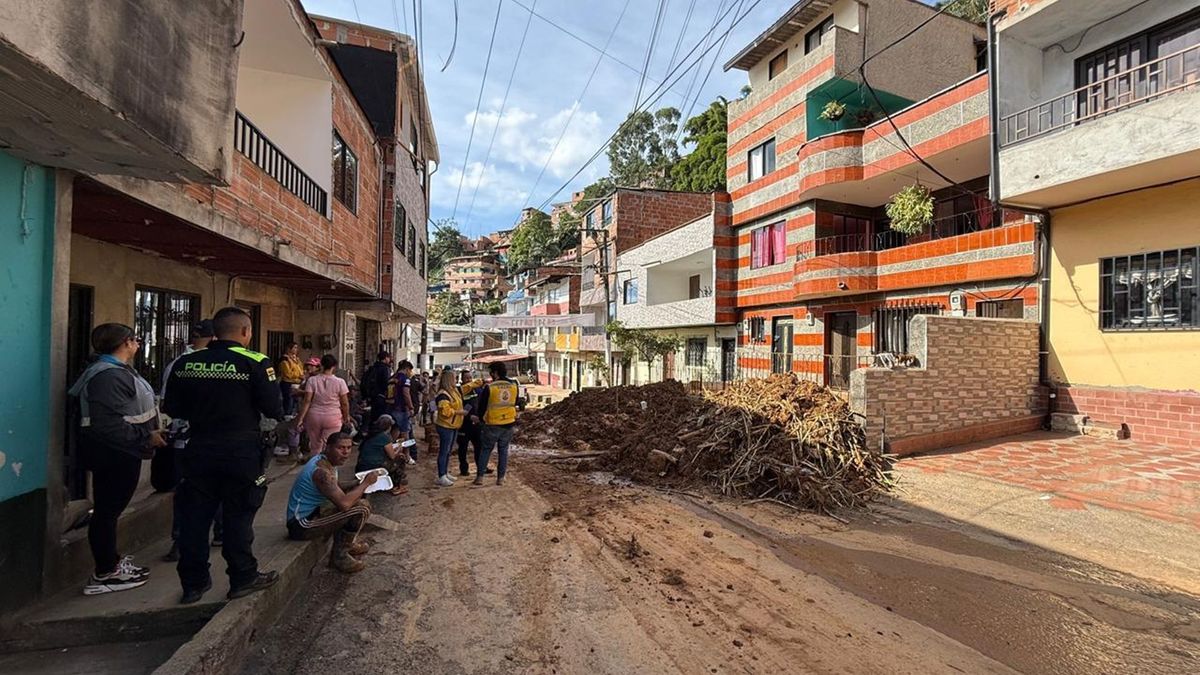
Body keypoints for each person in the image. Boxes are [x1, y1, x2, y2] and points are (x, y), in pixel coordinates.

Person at [162, 306, 284, 605]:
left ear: (215, 331)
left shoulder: (187, 363)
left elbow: (172, 409)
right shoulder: (256, 362)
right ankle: (243, 578)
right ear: (246, 332)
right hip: (240, 452)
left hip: (198, 448)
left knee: (194, 519)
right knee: (238, 517)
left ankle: (193, 585)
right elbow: (274, 410)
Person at [68, 323, 167, 595]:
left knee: (110, 511)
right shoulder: (107, 376)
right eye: (135, 339)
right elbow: (107, 425)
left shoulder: (115, 371)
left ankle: (110, 562)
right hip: (115, 453)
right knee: (107, 512)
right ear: (125, 342)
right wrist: (146, 437)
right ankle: (106, 572)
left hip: (124, 450)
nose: (138, 344)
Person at [157, 320, 223, 562]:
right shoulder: (225, 364)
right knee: (215, 486)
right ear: (215, 338)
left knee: (188, 491)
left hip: (186, 440)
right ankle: (216, 532)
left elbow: (166, 404)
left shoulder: (177, 364)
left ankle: (183, 540)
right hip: (211, 439)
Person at [285, 431, 376, 573]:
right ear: (328, 447)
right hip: (302, 524)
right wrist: (365, 484)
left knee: (355, 498)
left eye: (348, 448)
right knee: (361, 508)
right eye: (340, 448)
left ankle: (347, 543)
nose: (345, 453)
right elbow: (344, 504)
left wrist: (357, 483)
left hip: (316, 512)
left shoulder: (325, 461)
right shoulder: (321, 472)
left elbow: (335, 485)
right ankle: (339, 557)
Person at [473, 362, 525, 487]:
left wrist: (479, 419)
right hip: (509, 423)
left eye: (491, 372)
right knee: (503, 451)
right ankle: (500, 478)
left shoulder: (490, 388)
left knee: (485, 450)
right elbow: (517, 401)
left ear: (495, 373)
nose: (490, 375)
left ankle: (480, 477)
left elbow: (481, 407)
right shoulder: (513, 385)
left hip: (492, 424)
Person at [296, 355, 350, 457]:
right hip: (333, 418)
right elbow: (345, 403)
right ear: (334, 366)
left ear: (321, 365)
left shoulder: (312, 380)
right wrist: (346, 417)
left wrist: (301, 418)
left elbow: (307, 401)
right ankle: (327, 469)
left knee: (315, 446)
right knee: (329, 446)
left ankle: (315, 467)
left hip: (314, 416)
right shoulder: (340, 382)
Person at [354, 414, 408, 496]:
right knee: (401, 458)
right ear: (389, 427)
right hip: (374, 466)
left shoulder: (371, 434)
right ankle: (396, 486)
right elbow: (392, 456)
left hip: (361, 465)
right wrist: (400, 448)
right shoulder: (384, 437)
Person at [433, 368, 467, 487]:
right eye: (454, 377)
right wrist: (459, 412)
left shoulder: (453, 391)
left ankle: (445, 473)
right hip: (445, 426)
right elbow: (445, 412)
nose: (456, 379)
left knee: (448, 451)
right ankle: (441, 475)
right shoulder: (443, 394)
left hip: (453, 425)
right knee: (444, 451)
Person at [457, 370, 485, 478]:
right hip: (464, 424)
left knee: (479, 447)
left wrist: (480, 417)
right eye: (466, 378)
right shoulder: (459, 391)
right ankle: (464, 469)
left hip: (477, 424)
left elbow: (482, 403)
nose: (469, 380)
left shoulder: (477, 390)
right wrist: (468, 417)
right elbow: (457, 408)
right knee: (463, 448)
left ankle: (481, 467)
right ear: (462, 380)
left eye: (470, 378)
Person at [387, 360, 416, 462]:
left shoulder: (392, 378)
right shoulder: (405, 379)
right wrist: (411, 407)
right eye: (410, 370)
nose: (410, 373)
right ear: (407, 369)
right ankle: (406, 455)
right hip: (402, 409)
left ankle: (389, 451)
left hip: (391, 408)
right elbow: (406, 394)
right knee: (405, 433)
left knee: (395, 431)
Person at [361, 351, 392, 427]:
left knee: (373, 416)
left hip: (372, 396)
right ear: (385, 358)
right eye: (388, 358)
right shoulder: (385, 368)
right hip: (381, 396)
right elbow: (386, 383)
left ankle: (371, 433)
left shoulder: (373, 368)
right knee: (380, 418)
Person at [278, 343, 304, 416]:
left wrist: (302, 375)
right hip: (288, 383)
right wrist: (299, 376)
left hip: (297, 383)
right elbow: (287, 373)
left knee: (295, 402)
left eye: (296, 348)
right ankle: (286, 416)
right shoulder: (285, 359)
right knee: (288, 401)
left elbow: (300, 369)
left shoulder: (296, 359)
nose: (296, 349)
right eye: (294, 347)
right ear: (289, 349)